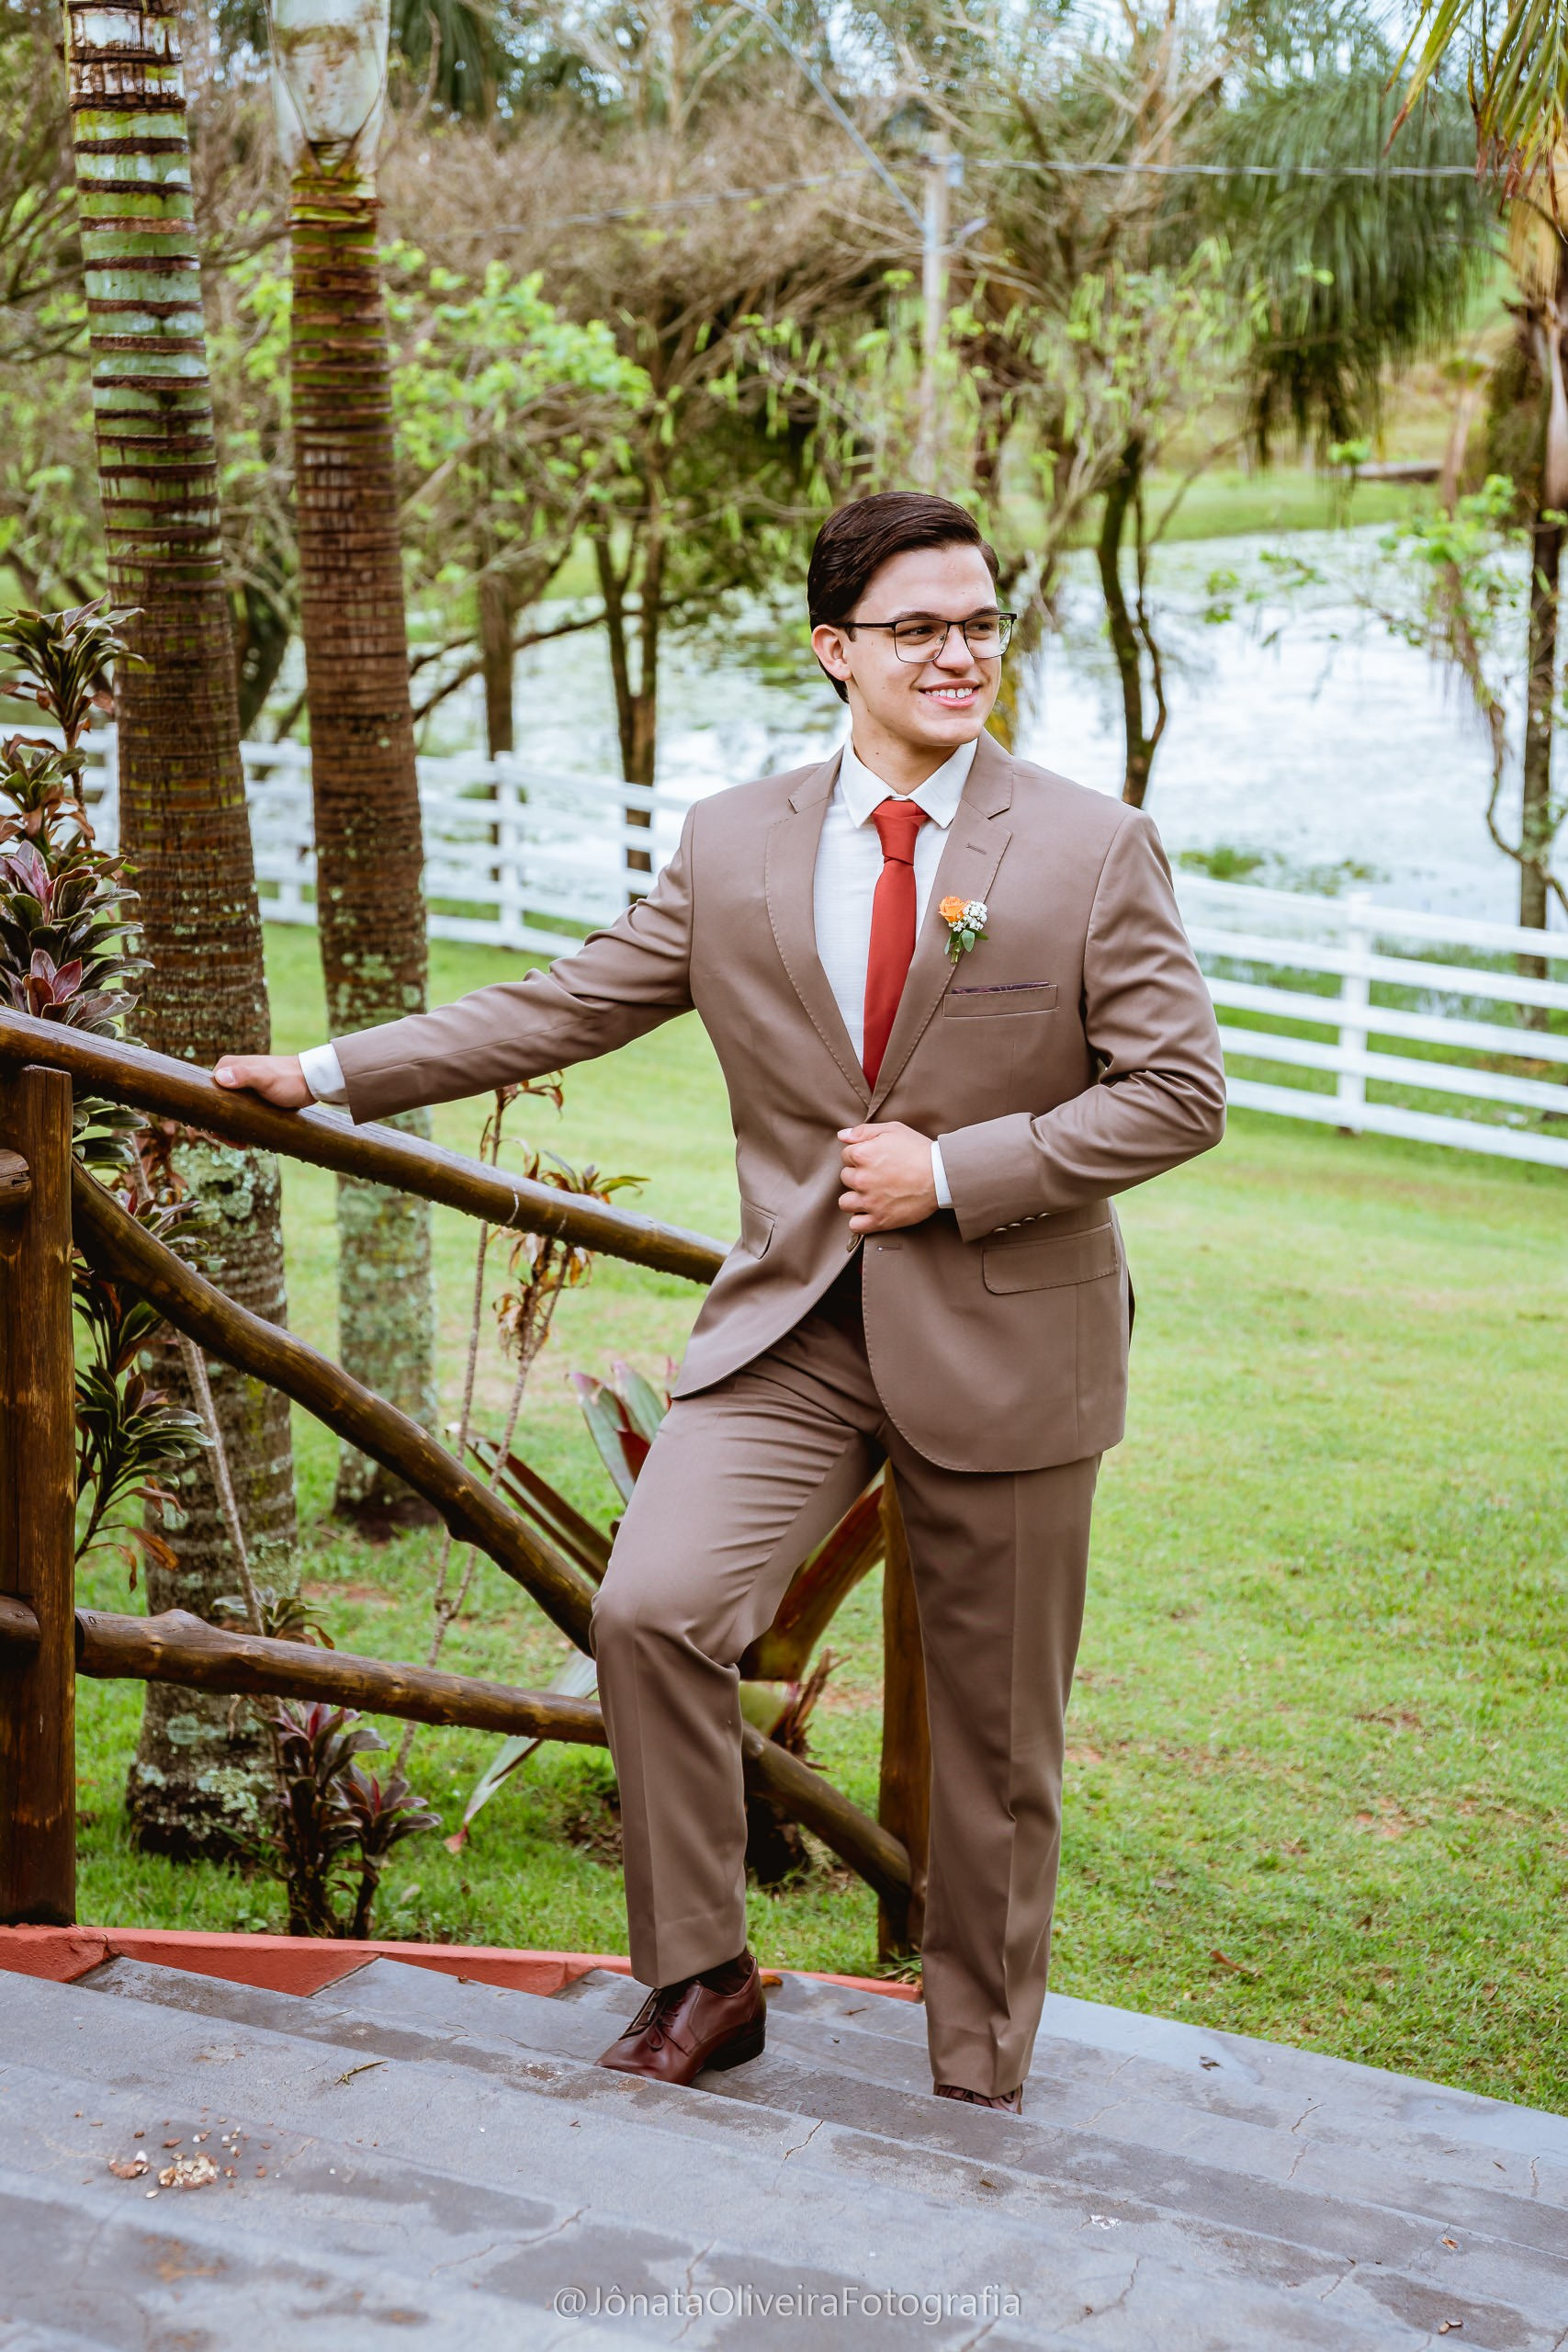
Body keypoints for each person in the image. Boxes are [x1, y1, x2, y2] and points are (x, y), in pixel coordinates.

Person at [216, 490, 1225, 2111]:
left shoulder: (1091, 846)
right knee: (652, 1610)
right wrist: (328, 1072)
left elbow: (1177, 1094)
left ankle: (978, 2073)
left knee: (994, 1743)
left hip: (1012, 1338)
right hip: (795, 1329)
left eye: (980, 624)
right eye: (918, 628)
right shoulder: (734, 840)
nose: (959, 654)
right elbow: (565, 1005)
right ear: (835, 650)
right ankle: (703, 1976)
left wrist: (957, 1169)